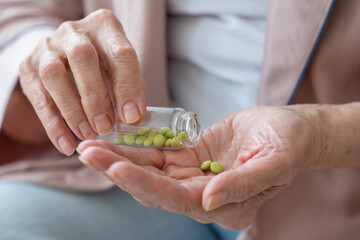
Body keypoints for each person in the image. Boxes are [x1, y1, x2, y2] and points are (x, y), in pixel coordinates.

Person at [1, 1, 360, 240]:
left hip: (326, 196)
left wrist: (320, 132)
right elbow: (22, 10)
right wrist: (45, 60)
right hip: (133, 179)